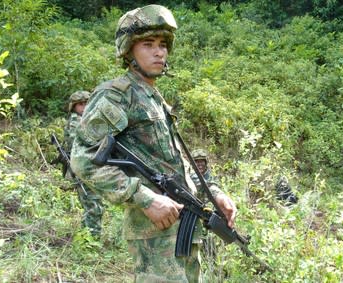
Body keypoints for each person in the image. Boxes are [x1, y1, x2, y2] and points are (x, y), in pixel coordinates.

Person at [70, 5, 237, 282]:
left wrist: (215, 193)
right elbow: (83, 159)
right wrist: (144, 198)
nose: (159, 52)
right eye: (148, 44)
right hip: (154, 230)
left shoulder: (154, 97)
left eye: (162, 45)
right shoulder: (116, 95)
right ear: (129, 50)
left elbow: (176, 162)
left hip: (184, 226)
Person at [64, 91, 104, 239]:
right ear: (73, 107)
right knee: (94, 206)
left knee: (91, 205)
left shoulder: (86, 120)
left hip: (88, 169)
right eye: (80, 104)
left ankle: (85, 236)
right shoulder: (76, 122)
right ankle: (92, 240)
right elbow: (86, 146)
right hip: (84, 170)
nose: (84, 107)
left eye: (87, 103)